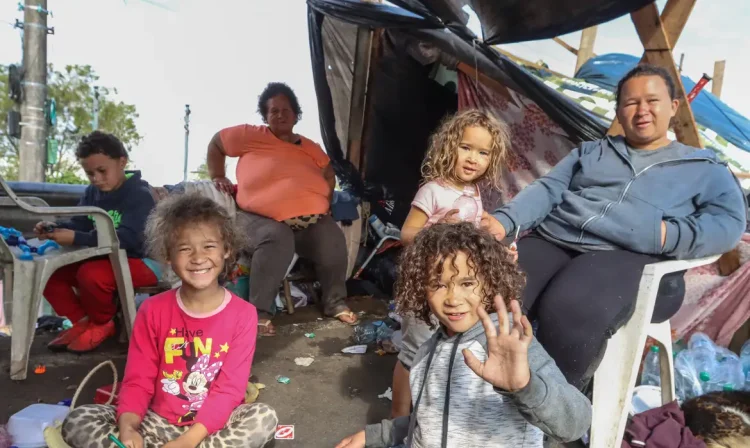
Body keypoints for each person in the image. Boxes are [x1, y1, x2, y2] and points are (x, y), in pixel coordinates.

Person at [481, 64, 748, 388]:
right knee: (493, 286)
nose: (642, 110)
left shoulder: (704, 167)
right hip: (557, 238)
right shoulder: (591, 153)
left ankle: (551, 410)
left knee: (571, 306)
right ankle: (480, 391)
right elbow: (549, 189)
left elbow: (729, 222)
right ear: (619, 109)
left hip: (633, 255)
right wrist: (503, 220)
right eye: (631, 102)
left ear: (673, 107)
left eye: (653, 100)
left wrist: (666, 235)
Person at [336, 223, 591, 448]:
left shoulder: (508, 344)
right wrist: (379, 435)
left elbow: (575, 425)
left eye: (467, 283)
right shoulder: (427, 351)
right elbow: (428, 419)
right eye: (438, 285)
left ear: (490, 284)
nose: (453, 299)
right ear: (420, 289)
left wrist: (525, 389)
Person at [61, 193, 278, 448]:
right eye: (185, 248)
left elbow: (229, 390)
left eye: (209, 246)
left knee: (263, 419)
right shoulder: (152, 311)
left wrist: (188, 441)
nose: (198, 258)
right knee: (78, 420)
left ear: (227, 249)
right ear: (167, 255)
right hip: (155, 422)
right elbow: (138, 380)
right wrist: (129, 428)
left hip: (210, 428)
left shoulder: (243, 315)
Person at [206, 82, 357, 336]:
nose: (280, 114)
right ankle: (260, 313)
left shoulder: (310, 147)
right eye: (273, 110)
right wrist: (218, 174)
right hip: (256, 218)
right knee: (277, 236)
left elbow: (329, 174)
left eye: (286, 110)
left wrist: (325, 202)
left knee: (331, 237)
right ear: (265, 116)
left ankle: (334, 302)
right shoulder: (251, 135)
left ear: (296, 115)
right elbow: (216, 144)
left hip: (306, 221)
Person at [392, 109, 512, 417]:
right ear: (449, 147)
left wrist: (497, 247)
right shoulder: (433, 190)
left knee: (446, 347)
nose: (473, 158)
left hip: (455, 289)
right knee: (413, 352)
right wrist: (436, 229)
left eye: (483, 152)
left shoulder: (473, 193)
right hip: (426, 285)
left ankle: (430, 409)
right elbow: (407, 234)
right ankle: (398, 418)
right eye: (466, 148)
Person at [35, 131, 159, 353]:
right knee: (49, 272)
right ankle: (81, 322)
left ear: (122, 162)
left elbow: (129, 239)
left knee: (91, 274)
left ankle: (103, 323)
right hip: (106, 260)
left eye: (102, 171)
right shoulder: (93, 192)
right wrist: (55, 228)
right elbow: (80, 223)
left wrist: (76, 238)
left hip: (144, 261)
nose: (96, 179)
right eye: (90, 173)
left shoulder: (140, 195)